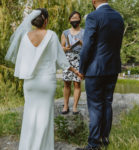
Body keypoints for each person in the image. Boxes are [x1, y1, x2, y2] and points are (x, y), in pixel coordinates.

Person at [5, 8, 82, 150]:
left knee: (29, 117)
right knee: (44, 118)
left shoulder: (25, 37)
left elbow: (22, 61)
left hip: (30, 83)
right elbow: (61, 59)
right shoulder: (51, 35)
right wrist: (75, 71)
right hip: (47, 82)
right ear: (46, 20)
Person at [77, 0, 124, 150]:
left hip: (95, 69)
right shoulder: (118, 17)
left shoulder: (93, 17)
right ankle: (104, 139)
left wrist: (82, 69)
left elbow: (88, 45)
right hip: (113, 67)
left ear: (93, 1)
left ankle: (93, 145)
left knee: (96, 106)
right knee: (107, 103)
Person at [61, 11, 84, 115]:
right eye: (73, 18)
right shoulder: (65, 32)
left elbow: (88, 46)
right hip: (68, 59)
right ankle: (65, 105)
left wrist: (81, 43)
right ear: (69, 20)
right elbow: (61, 48)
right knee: (66, 83)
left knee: (77, 83)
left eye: (77, 18)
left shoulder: (84, 32)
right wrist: (65, 48)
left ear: (80, 20)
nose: (75, 20)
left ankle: (75, 106)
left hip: (79, 58)